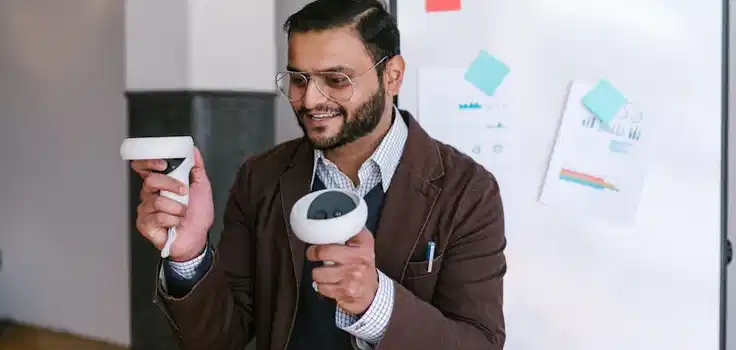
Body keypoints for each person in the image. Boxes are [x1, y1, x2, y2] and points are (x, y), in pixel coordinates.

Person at [131, 0, 507, 349]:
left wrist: (376, 304)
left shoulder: (467, 191)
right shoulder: (260, 177)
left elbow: (479, 342)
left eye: (336, 80)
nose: (310, 100)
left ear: (392, 76)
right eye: (298, 79)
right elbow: (221, 338)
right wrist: (189, 254)